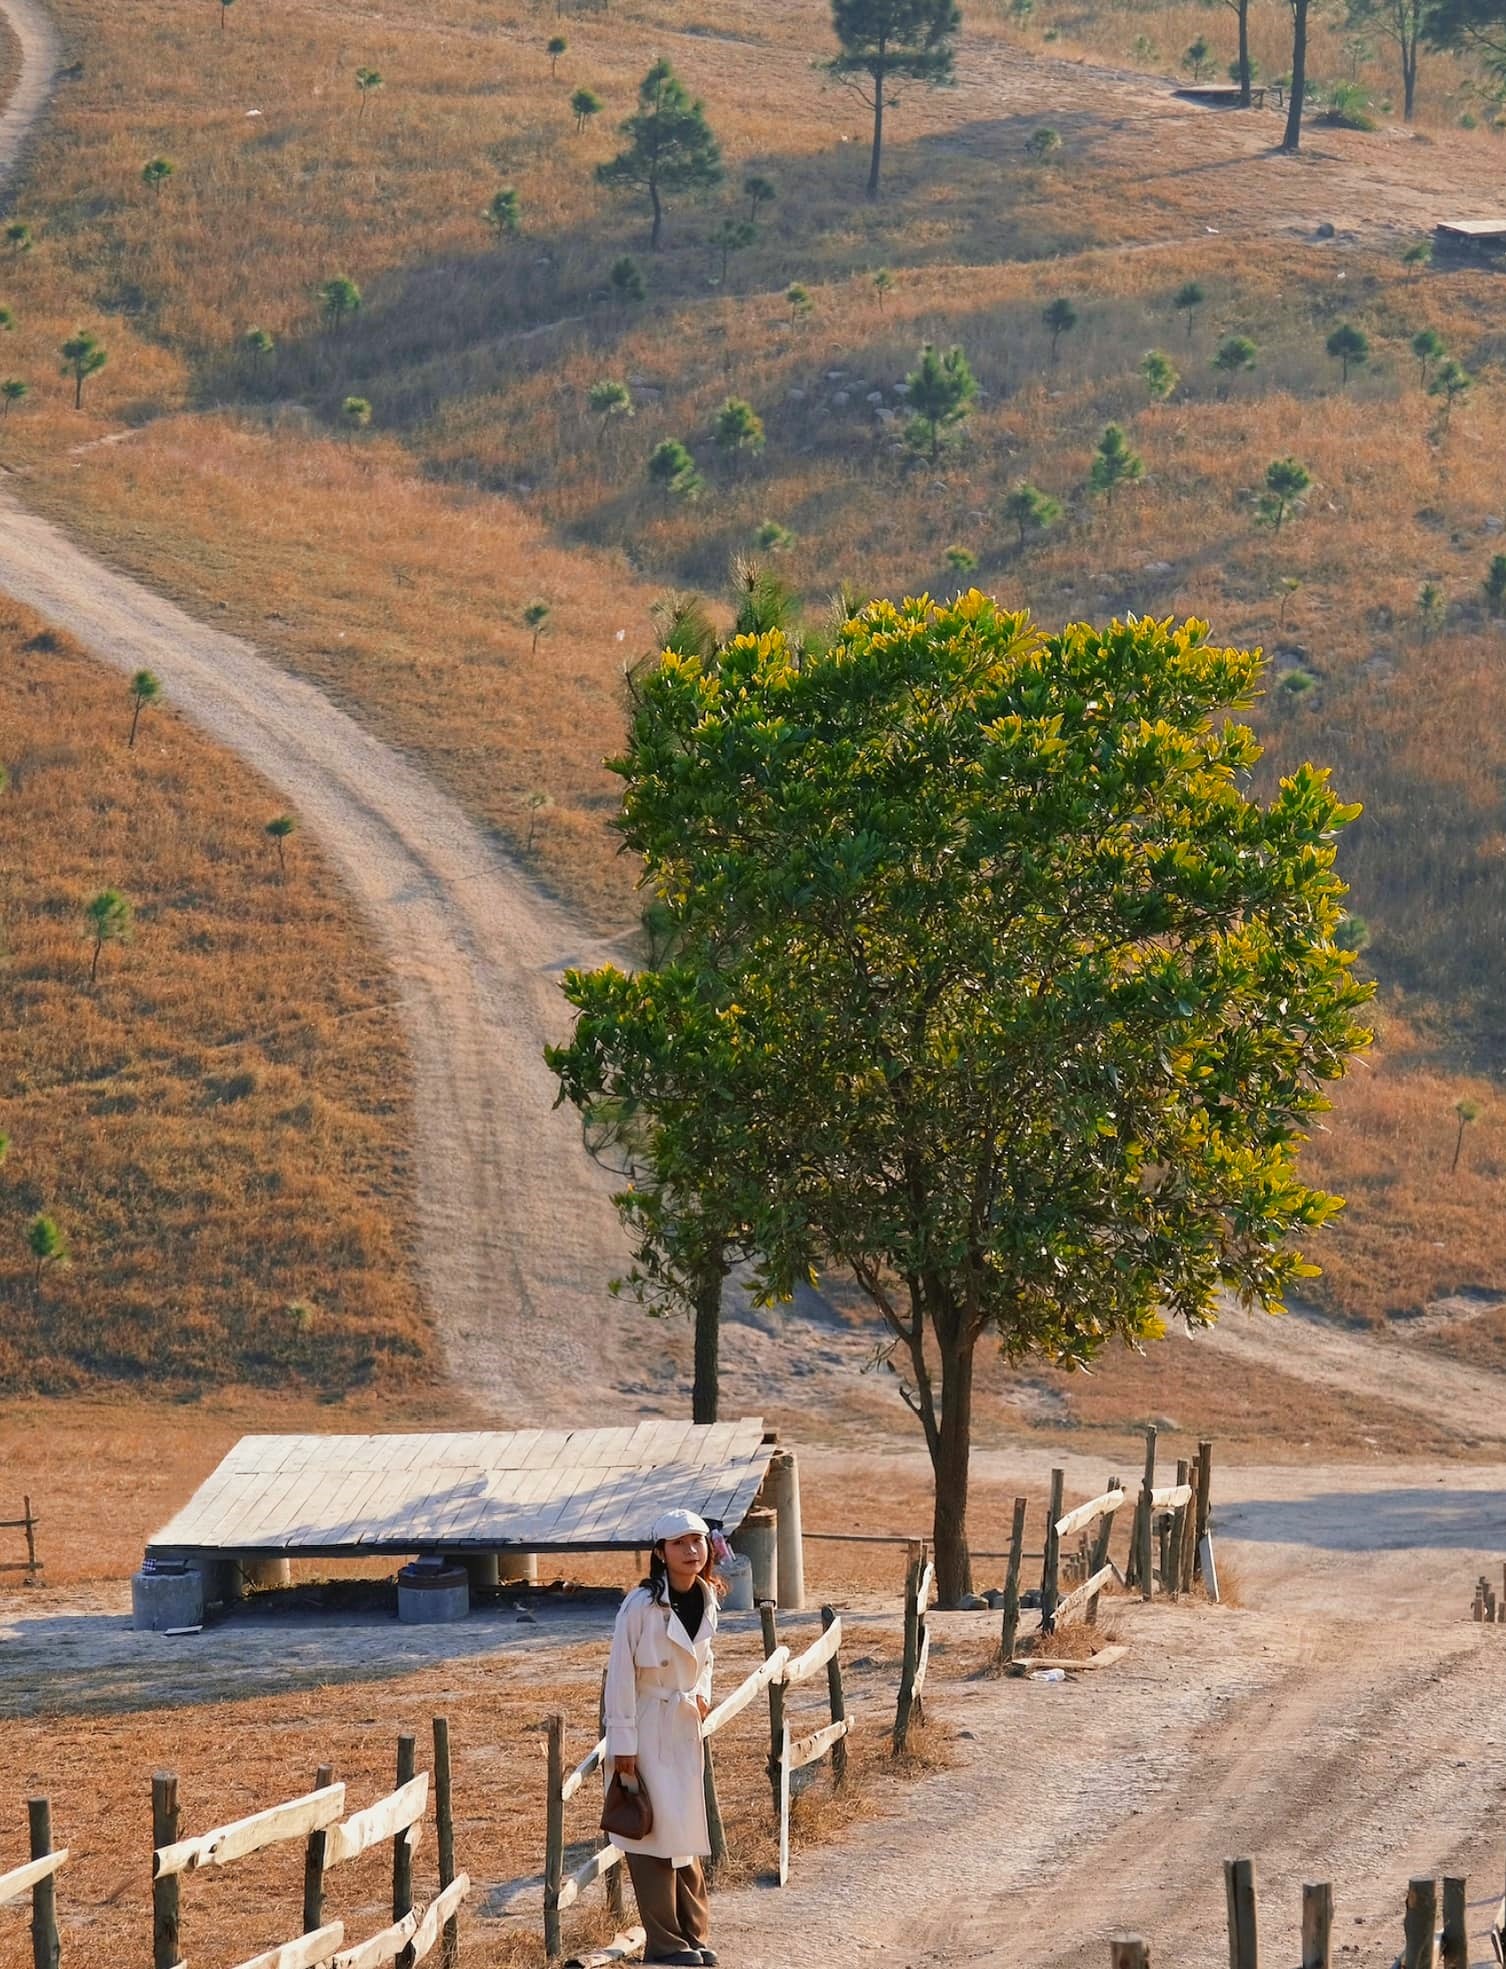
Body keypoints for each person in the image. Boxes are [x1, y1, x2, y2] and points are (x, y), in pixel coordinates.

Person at [604, 1508, 725, 1967]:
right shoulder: (639, 1606)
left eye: (697, 1540)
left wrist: (703, 1696)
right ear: (660, 1552)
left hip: (684, 1723)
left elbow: (706, 1658)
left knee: (687, 1830)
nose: (692, 1550)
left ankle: (694, 1935)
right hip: (646, 1722)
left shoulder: (708, 1596)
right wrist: (623, 1747)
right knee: (652, 1831)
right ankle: (665, 1945)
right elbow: (619, 1676)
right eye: (679, 1543)